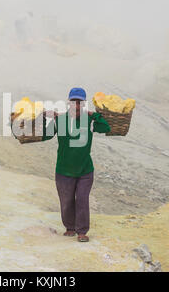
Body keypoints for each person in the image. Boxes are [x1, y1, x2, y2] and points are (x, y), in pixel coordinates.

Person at [42, 87, 111, 242]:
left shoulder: (89, 121)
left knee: (82, 199)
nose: (77, 106)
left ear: (84, 104)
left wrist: (95, 115)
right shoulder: (61, 120)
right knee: (66, 201)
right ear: (69, 103)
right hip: (63, 170)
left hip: (85, 170)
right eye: (74, 102)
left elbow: (106, 127)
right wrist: (47, 118)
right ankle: (70, 228)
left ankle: (82, 231)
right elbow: (46, 135)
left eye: (80, 103)